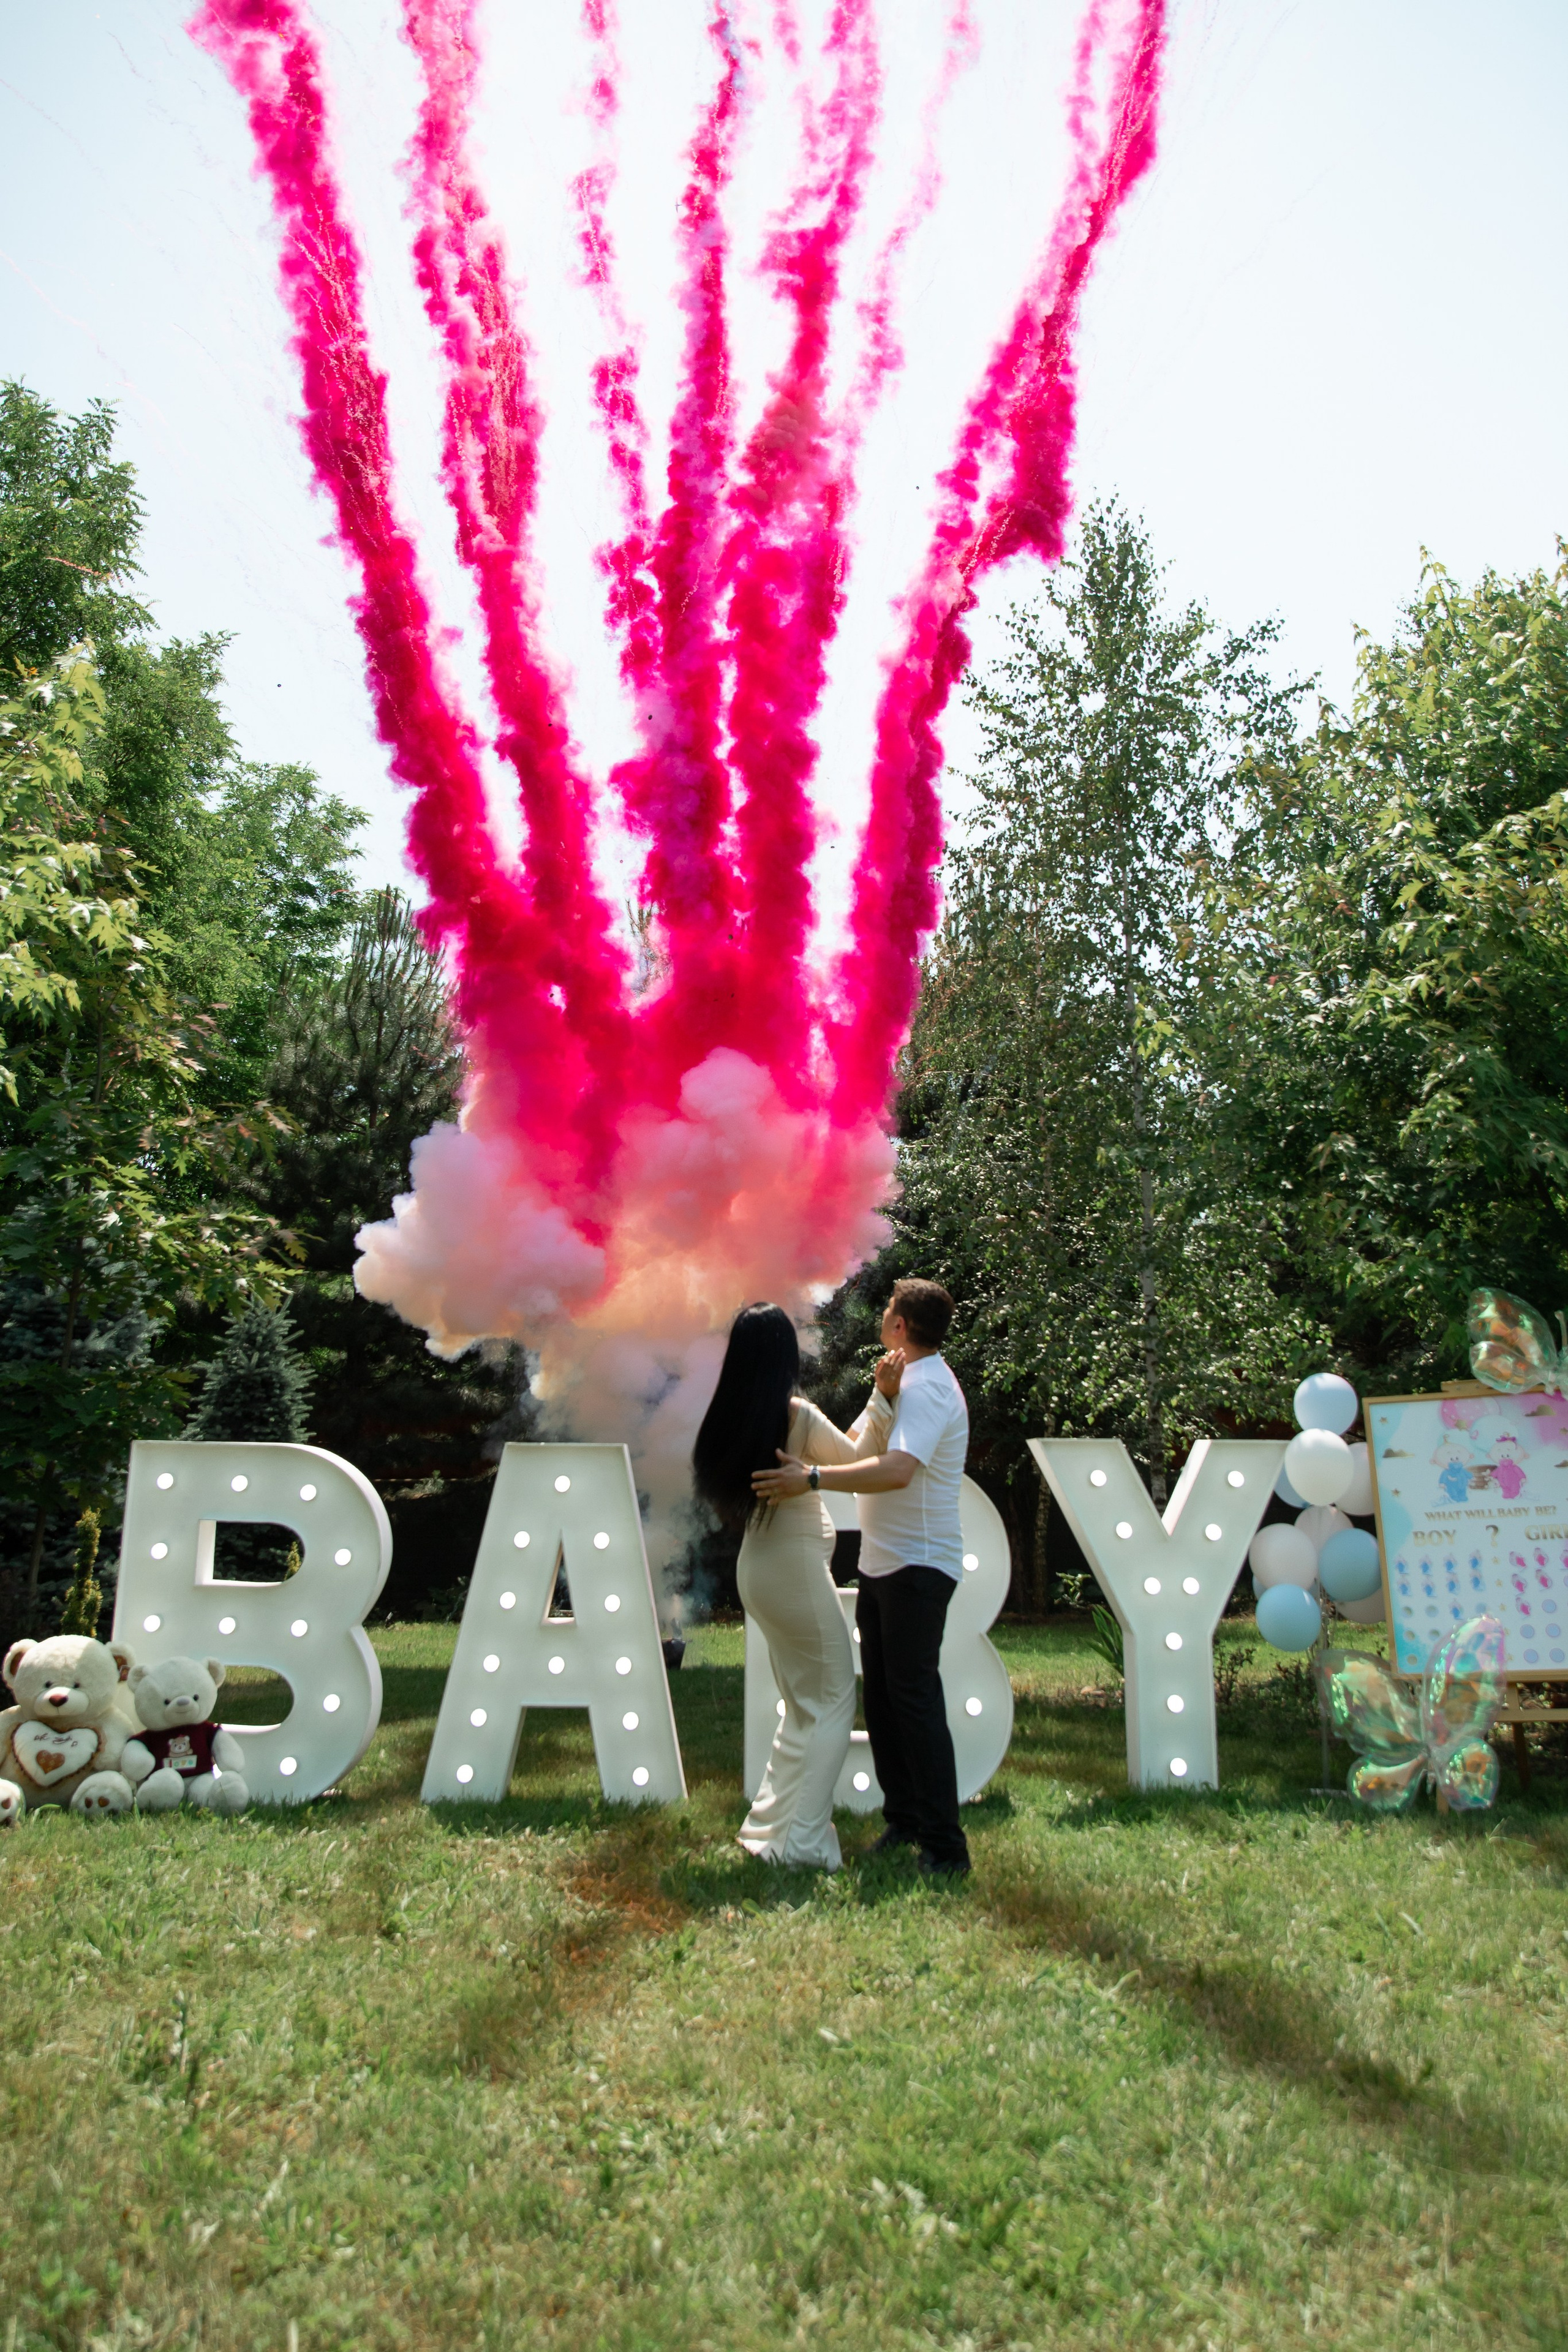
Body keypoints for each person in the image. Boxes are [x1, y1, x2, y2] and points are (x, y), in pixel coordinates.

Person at [753, 1278, 970, 1876]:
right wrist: (881, 1395)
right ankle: (903, 1822)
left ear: (900, 1327)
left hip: (918, 1566)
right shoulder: (908, 1381)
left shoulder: (927, 1388)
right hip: (885, 1564)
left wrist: (813, 1481)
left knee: (914, 1702)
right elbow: (864, 1449)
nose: (882, 1314)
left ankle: (945, 1848)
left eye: (888, 1309)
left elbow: (898, 1470)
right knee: (884, 1701)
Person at [693, 1302, 900, 1871]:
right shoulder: (796, 1416)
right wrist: (883, 1396)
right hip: (794, 1575)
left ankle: (769, 1831)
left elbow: (837, 1450)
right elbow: (861, 1458)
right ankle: (804, 1844)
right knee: (833, 1698)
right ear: (783, 1355)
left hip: (759, 1572)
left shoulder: (732, 1418)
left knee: (804, 1706)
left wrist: (871, 1407)